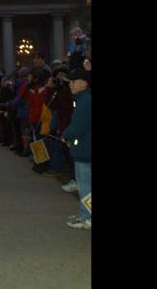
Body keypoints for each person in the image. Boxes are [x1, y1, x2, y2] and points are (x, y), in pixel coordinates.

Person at [61, 68, 91, 230]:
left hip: (86, 150)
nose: (70, 85)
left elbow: (79, 125)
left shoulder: (85, 101)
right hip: (84, 148)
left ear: (83, 83)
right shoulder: (82, 99)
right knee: (84, 185)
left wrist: (66, 134)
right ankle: (85, 213)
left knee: (85, 186)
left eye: (72, 82)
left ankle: (87, 217)